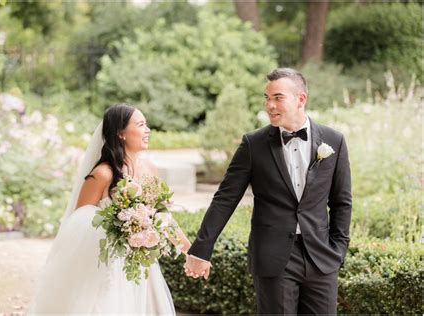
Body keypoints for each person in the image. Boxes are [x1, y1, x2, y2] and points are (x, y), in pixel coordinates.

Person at [184, 68, 352, 314]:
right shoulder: (253, 144)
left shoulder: (333, 140)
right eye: (267, 98)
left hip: (321, 257)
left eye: (278, 97)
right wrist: (201, 248)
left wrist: (338, 249)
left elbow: (342, 201)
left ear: (301, 99)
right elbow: (225, 199)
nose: (270, 105)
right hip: (274, 259)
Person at [29, 103, 191, 314]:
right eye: (141, 125)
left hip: (140, 265)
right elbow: (78, 222)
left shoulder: (150, 170)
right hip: (107, 267)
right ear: (121, 133)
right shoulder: (103, 174)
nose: (147, 130)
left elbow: (162, 215)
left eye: (146, 124)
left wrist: (190, 251)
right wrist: (124, 225)